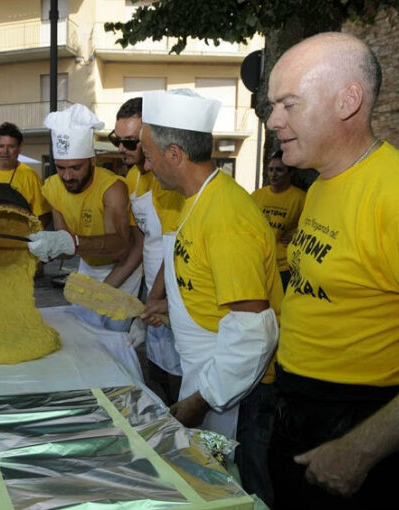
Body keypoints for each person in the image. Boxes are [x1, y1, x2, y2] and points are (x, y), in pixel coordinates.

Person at [266, 32, 399, 509]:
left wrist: (360, 449)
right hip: (299, 418)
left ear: (348, 100)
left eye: (288, 104)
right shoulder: (324, 181)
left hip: (364, 437)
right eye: (272, 105)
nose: (272, 120)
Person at [139, 89, 282, 505]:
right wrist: (175, 309)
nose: (145, 165)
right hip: (210, 373)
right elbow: (209, 282)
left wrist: (201, 401)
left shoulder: (226, 216)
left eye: (148, 154)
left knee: (238, 491)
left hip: (235, 387)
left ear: (175, 155)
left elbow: (254, 329)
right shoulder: (196, 201)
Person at [28, 104, 143, 332]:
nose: (67, 176)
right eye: (60, 168)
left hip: (123, 265)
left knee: (114, 333)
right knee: (84, 330)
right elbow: (66, 241)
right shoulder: (52, 187)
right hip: (88, 263)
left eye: (75, 168)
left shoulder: (112, 188)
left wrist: (102, 289)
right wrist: (41, 247)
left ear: (92, 161)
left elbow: (120, 247)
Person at [112, 97, 184, 405]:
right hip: (153, 296)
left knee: (182, 387)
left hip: (176, 296)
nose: (121, 149)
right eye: (117, 140)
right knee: (157, 382)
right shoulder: (132, 178)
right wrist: (107, 287)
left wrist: (153, 303)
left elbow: (174, 249)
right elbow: (141, 243)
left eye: (130, 142)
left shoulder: (167, 182)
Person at [0, 122, 51, 227]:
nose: (5, 151)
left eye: (11, 146)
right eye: (1, 146)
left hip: (18, 237)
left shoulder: (30, 176)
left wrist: (30, 237)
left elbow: (43, 215)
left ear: (19, 148)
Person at [251, 150, 306, 290]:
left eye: (279, 170)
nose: (273, 174)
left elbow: (311, 228)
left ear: (290, 173)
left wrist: (297, 237)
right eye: (270, 170)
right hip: (259, 264)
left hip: (284, 268)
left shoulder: (301, 198)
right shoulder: (256, 196)